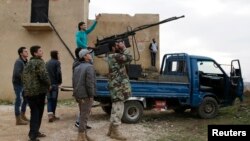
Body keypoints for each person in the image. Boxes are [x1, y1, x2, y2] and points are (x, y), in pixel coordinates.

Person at [22, 45, 50, 141]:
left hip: (29, 92)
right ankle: (33, 135)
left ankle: (34, 132)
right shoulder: (39, 62)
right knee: (37, 113)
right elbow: (44, 76)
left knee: (34, 112)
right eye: (40, 51)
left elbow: (23, 77)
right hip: (38, 92)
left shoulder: (29, 63)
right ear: (35, 53)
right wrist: (49, 84)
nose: (42, 52)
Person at [106, 40, 133, 140]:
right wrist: (124, 47)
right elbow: (129, 58)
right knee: (118, 108)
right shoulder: (115, 56)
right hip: (118, 87)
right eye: (117, 45)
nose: (119, 46)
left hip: (116, 86)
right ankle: (115, 132)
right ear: (113, 47)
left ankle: (110, 131)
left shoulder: (111, 56)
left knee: (115, 108)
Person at [72, 49, 96, 141]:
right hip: (86, 95)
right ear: (85, 56)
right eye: (88, 53)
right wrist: (91, 95)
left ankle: (84, 135)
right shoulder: (89, 67)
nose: (90, 54)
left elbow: (74, 81)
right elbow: (89, 83)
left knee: (83, 114)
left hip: (79, 94)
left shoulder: (77, 67)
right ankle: (81, 136)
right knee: (84, 116)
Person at [12, 46, 29, 125]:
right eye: (25, 51)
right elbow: (17, 74)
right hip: (18, 84)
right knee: (19, 100)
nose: (27, 52)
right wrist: (25, 78)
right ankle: (18, 119)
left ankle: (22, 115)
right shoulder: (19, 62)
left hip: (24, 84)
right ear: (21, 53)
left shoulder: (25, 61)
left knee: (25, 99)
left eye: (27, 51)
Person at [46, 50, 62, 122]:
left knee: (49, 99)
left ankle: (50, 115)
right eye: (58, 54)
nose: (59, 55)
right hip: (55, 84)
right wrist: (59, 81)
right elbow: (58, 72)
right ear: (56, 55)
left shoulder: (47, 63)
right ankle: (53, 115)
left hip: (48, 85)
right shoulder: (57, 62)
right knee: (54, 100)